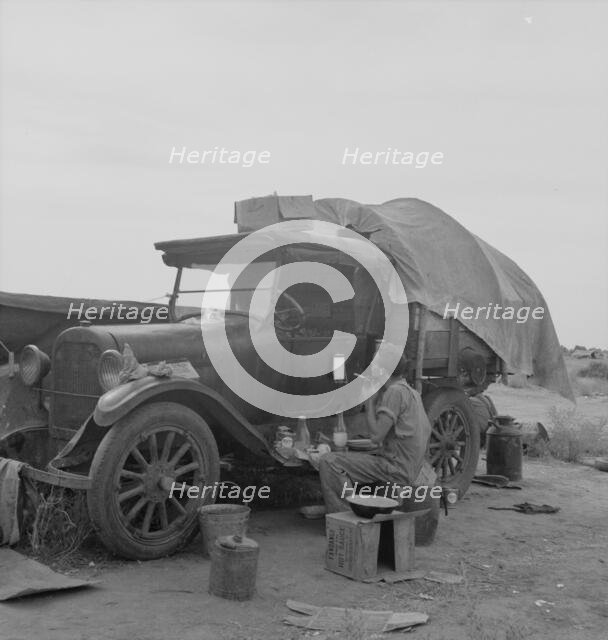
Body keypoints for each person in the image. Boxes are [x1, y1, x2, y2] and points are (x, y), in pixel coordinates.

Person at [319, 354, 432, 513]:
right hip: (410, 466)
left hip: (396, 468)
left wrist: (369, 403)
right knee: (349, 456)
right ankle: (356, 505)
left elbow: (376, 437)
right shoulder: (412, 392)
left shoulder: (395, 392)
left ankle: (344, 515)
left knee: (329, 461)